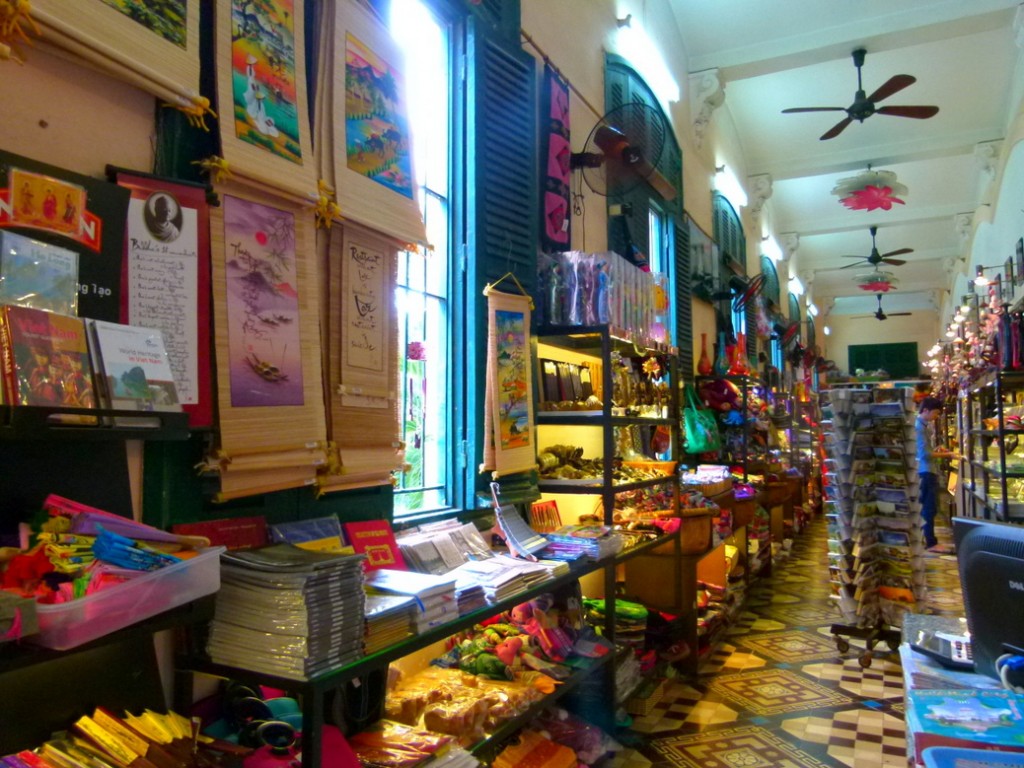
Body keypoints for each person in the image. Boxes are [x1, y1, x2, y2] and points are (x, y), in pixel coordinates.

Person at [916, 396, 954, 550]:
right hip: (925, 472)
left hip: (925, 470)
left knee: (927, 507)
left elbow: (925, 451)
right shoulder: (918, 428)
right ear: (926, 410)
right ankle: (930, 542)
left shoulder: (922, 426)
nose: (936, 417)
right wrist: (948, 455)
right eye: (936, 413)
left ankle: (927, 540)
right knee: (929, 507)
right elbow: (924, 454)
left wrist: (937, 450)